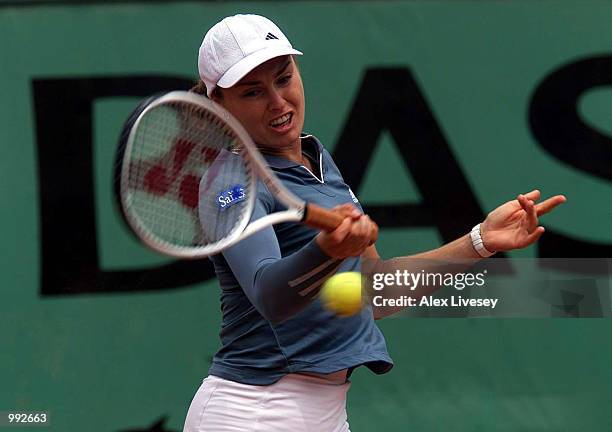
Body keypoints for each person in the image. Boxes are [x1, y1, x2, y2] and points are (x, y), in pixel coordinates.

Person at [183, 14, 566, 432]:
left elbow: (372, 289)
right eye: (253, 91)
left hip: (326, 415)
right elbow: (270, 296)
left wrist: (479, 241)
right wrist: (328, 250)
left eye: (283, 77)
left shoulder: (317, 162)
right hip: (253, 412)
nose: (278, 102)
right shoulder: (232, 179)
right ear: (219, 105)